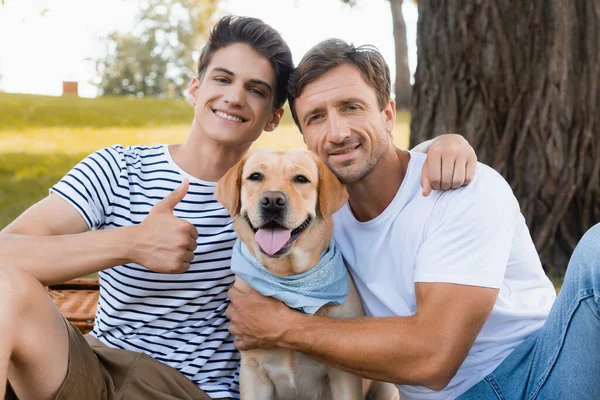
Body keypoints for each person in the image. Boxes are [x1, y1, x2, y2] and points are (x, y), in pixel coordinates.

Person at [0, 17, 476, 400]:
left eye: (255, 89)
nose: (233, 96)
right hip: (90, 365)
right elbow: (6, 251)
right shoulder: (118, 168)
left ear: (273, 117)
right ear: (195, 87)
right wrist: (127, 243)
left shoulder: (286, 207)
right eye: (223, 79)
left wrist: (444, 145)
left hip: (190, 389)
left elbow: (365, 172)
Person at [226, 38, 600, 400]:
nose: (337, 132)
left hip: (539, 376)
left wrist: (284, 328)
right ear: (306, 137)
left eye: (351, 107)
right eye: (316, 118)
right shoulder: (316, 220)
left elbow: (435, 358)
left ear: (388, 114)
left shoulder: (464, 188)